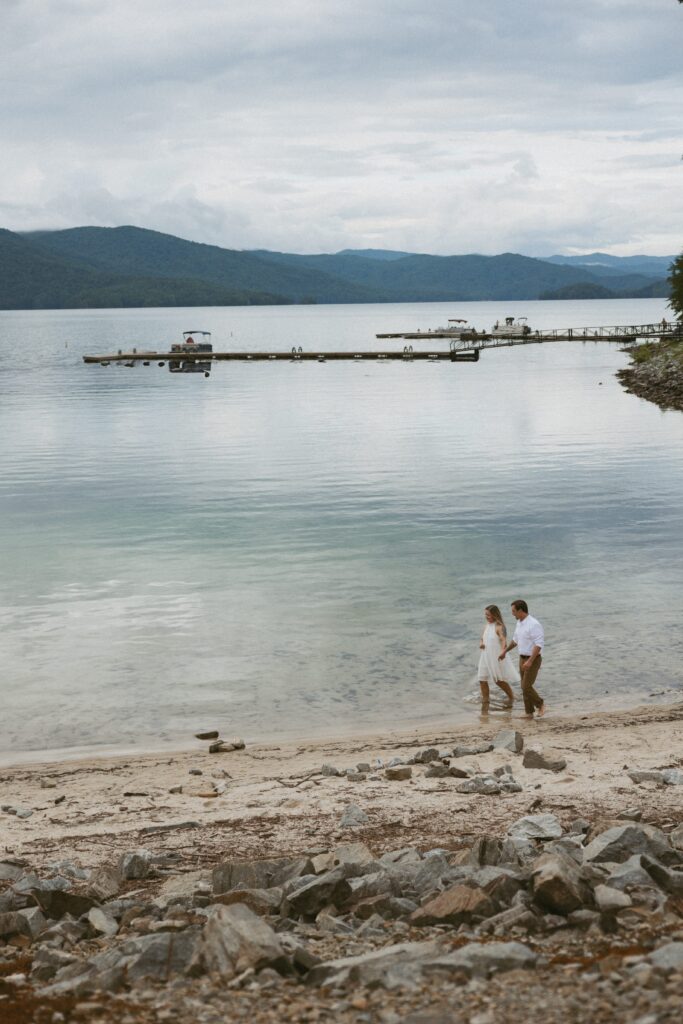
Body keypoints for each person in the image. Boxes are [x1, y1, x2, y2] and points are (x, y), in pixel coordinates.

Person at [499, 599, 546, 719]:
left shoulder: (534, 624)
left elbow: (539, 644)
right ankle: (529, 713)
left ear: (520, 610)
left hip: (533, 659)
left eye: (514, 611)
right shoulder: (519, 623)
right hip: (522, 658)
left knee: (526, 686)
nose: (512, 613)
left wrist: (530, 661)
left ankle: (540, 704)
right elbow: (515, 641)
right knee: (523, 686)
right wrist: (505, 651)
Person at [478, 604, 519, 708]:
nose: (486, 617)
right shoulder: (486, 626)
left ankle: (511, 697)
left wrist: (503, 651)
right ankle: (485, 701)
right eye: (485, 615)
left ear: (495, 615)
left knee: (498, 681)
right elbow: (482, 638)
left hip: (496, 656)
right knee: (482, 679)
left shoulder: (499, 627)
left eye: (488, 615)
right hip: (485, 656)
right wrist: (481, 643)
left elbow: (503, 640)